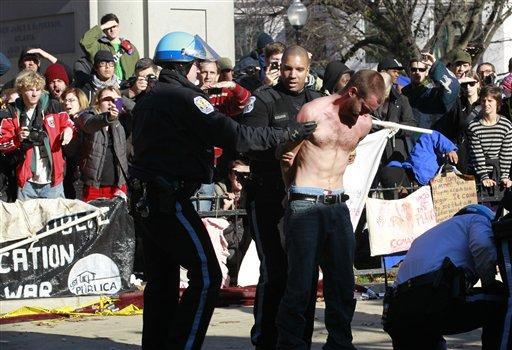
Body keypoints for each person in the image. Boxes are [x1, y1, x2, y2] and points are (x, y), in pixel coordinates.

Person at [130, 31, 317, 350]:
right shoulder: (185, 99)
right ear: (184, 64)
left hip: (148, 200)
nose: (200, 72)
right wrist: (288, 133)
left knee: (162, 282)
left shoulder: (150, 97)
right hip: (168, 199)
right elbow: (238, 137)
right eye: (196, 65)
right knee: (207, 274)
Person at [276, 70, 385, 349]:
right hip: (306, 202)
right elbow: (286, 155)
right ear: (352, 93)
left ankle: (339, 344)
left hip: (338, 204)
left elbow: (348, 152)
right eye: (365, 107)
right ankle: (291, 345)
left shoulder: (364, 123)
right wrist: (293, 192)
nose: (365, 115)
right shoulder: (314, 112)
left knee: (342, 284)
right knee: (300, 285)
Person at [239, 44, 324, 350]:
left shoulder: (318, 102)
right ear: (278, 67)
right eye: (287, 68)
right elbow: (247, 141)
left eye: (299, 69)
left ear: (308, 69)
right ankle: (266, 339)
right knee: (275, 271)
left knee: (304, 275)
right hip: (269, 197)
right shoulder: (263, 100)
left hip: (308, 201)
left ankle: (299, 339)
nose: (292, 75)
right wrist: (288, 136)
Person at [383, 204, 507, 350]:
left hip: (397, 311)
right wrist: (489, 282)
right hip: (432, 298)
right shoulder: (477, 219)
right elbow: (482, 245)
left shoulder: (429, 235)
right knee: (504, 301)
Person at [0, 70, 73, 200]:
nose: (34, 93)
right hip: (26, 181)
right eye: (30, 90)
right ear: (21, 91)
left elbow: (69, 124)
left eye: (38, 89)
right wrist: (18, 139)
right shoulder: (11, 111)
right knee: (27, 220)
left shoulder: (53, 105)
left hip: (53, 180)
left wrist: (68, 131)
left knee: (54, 219)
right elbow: (2, 143)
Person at [75, 86, 132, 202]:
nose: (111, 103)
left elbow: (139, 112)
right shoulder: (87, 114)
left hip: (118, 184)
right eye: (107, 99)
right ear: (97, 101)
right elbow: (88, 124)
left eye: (115, 100)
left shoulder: (122, 118)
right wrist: (108, 117)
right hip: (93, 184)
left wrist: (121, 100)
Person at [373, 72, 417, 198]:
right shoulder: (370, 100)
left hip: (394, 154)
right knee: (370, 192)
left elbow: (411, 124)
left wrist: (395, 127)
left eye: (385, 86)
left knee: (393, 193)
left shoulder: (402, 100)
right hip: (374, 153)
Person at [466, 86, 512, 188]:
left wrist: (504, 176)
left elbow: (506, 153)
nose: (486, 104)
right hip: (477, 171)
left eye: (490, 100)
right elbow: (477, 154)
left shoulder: (506, 125)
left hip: (497, 169)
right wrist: (484, 176)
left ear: (498, 102)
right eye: (483, 100)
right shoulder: (474, 126)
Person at [402, 53, 460, 129]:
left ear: (426, 72)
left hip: (429, 134)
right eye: (414, 69)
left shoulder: (433, 90)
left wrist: (435, 65)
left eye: (421, 70)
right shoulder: (405, 92)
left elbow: (452, 89)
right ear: (409, 71)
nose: (417, 72)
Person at [80, 13, 140, 80]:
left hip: (127, 86)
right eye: (108, 28)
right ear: (104, 30)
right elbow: (84, 42)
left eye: (114, 26)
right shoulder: (98, 46)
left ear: (118, 27)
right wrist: (101, 27)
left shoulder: (130, 47)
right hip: (107, 87)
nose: (112, 30)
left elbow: (138, 68)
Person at [60, 87, 89, 199]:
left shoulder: (88, 120)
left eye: (71, 100)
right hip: (68, 175)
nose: (67, 103)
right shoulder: (63, 120)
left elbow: (71, 150)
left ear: (81, 101)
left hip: (84, 176)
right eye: (65, 100)